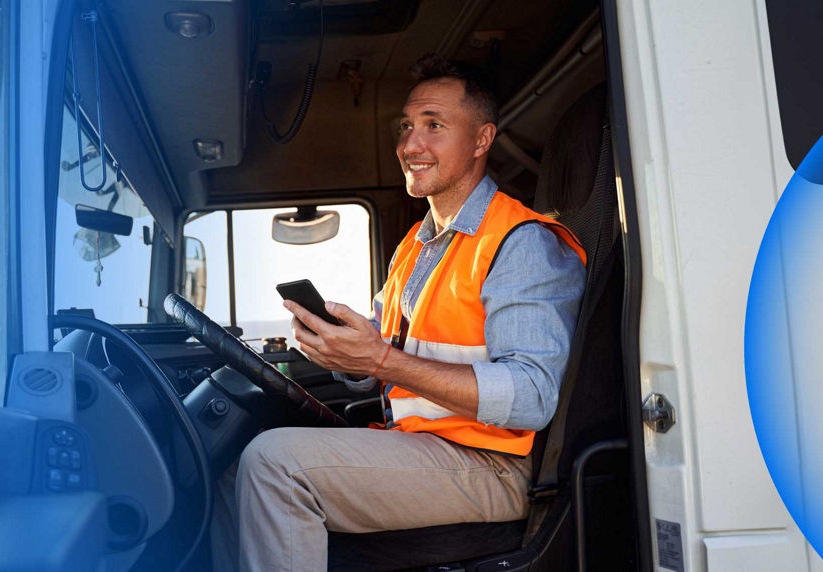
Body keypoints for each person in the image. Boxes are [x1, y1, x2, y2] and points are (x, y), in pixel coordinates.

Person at [219, 54, 587, 571]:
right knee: (232, 467)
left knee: (275, 463)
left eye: (434, 126)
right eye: (407, 127)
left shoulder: (520, 243)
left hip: (495, 466)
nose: (410, 145)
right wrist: (342, 352)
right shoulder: (416, 244)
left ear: (482, 141)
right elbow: (388, 354)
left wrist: (379, 362)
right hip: (424, 446)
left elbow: (531, 396)